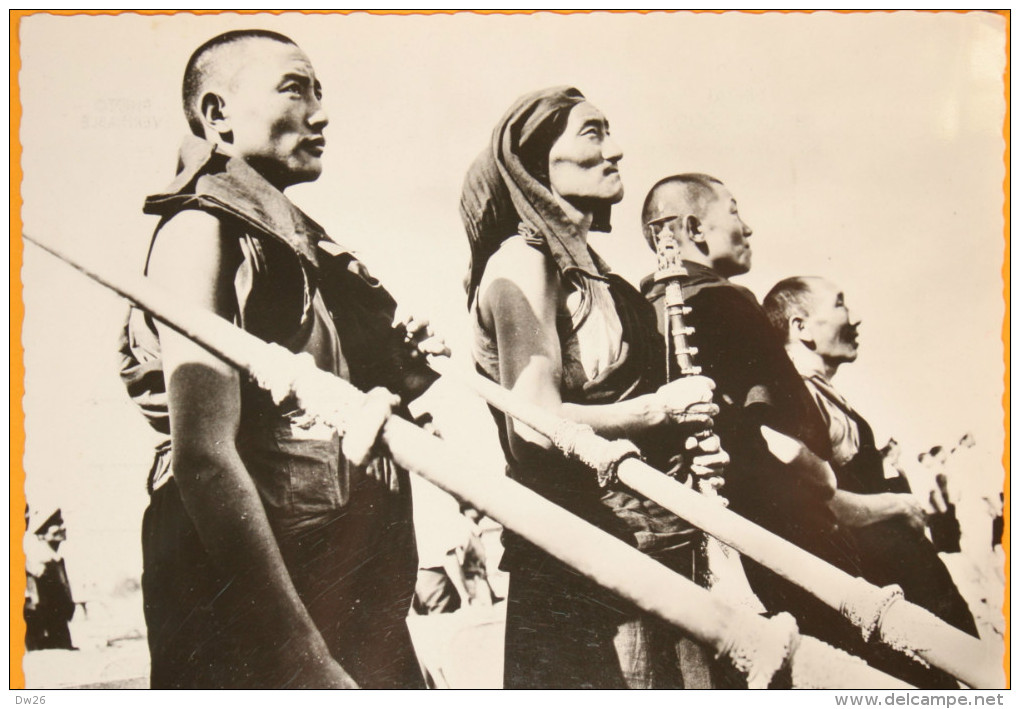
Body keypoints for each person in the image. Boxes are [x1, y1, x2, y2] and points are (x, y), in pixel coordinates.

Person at [118, 30, 442, 689]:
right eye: (295, 89)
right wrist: (300, 654)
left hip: (328, 578)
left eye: (320, 92)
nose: (319, 113)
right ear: (217, 118)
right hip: (248, 602)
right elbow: (203, 458)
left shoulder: (299, 248)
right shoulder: (197, 231)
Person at [462, 87, 724, 689]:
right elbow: (534, 426)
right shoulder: (523, 263)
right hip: (594, 564)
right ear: (535, 164)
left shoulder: (598, 275)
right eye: (592, 134)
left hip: (658, 548)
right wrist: (661, 411)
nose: (616, 151)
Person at [639, 174, 868, 657]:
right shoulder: (725, 300)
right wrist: (823, 474)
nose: (748, 227)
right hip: (780, 532)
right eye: (735, 212)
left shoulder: (644, 309)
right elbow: (780, 430)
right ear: (695, 229)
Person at [763, 276, 978, 686]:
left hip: (906, 578)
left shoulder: (821, 394)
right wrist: (901, 505)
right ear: (800, 327)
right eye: (841, 305)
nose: (855, 318)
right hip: (889, 587)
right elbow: (820, 505)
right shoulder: (800, 398)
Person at [24, 509, 77, 651]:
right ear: (41, 535)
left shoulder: (55, 559)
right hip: (45, 632)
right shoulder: (40, 562)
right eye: (57, 524)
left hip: (58, 631)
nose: (63, 527)